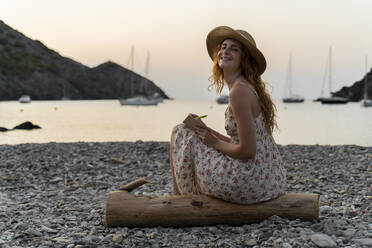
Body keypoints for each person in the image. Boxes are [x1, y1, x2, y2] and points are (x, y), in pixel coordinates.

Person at [169, 26, 286, 204]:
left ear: (244, 59)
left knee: (180, 132)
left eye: (234, 49)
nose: (225, 51)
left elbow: (247, 151)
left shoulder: (239, 92)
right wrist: (206, 131)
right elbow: (239, 142)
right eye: (223, 47)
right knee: (189, 129)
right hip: (267, 179)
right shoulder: (246, 87)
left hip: (247, 181)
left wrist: (214, 141)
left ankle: (178, 201)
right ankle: (180, 198)